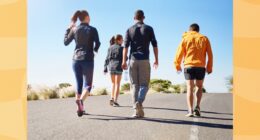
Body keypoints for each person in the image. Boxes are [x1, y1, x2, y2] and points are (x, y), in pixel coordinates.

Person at [122, 10, 159, 118]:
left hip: (133, 60)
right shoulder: (149, 28)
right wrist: (156, 59)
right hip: (144, 59)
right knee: (144, 85)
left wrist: (124, 61)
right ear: (144, 17)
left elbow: (125, 47)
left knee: (134, 85)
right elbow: (154, 45)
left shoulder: (129, 29)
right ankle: (139, 102)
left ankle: (136, 111)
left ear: (134, 18)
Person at [64, 10, 101, 117]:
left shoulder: (74, 29)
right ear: (87, 17)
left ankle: (79, 109)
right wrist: (95, 51)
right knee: (88, 85)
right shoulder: (92, 29)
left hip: (75, 60)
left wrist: (69, 28)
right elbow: (98, 43)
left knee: (79, 84)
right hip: (88, 59)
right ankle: (80, 102)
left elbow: (65, 42)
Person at [174, 23, 213, 117]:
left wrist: (177, 65)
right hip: (200, 66)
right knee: (199, 87)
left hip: (188, 66)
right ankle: (198, 107)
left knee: (190, 88)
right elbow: (210, 54)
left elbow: (179, 53)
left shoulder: (185, 38)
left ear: (189, 30)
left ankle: (190, 111)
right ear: (198, 30)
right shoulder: (204, 38)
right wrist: (209, 67)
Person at [104, 34, 124, 107]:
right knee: (117, 84)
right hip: (118, 66)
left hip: (111, 67)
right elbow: (125, 58)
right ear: (118, 40)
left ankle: (112, 98)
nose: (123, 41)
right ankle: (115, 101)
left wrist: (105, 68)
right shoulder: (122, 48)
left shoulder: (110, 48)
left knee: (113, 83)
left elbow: (107, 58)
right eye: (122, 39)